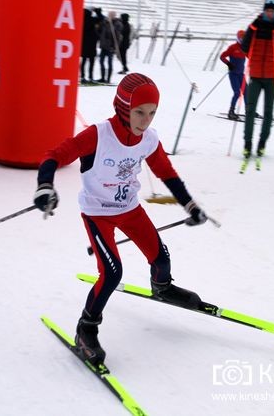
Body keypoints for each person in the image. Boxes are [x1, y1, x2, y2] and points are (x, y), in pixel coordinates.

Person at [33, 73, 209, 365]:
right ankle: (86, 328)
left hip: (129, 209)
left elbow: (166, 172)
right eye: (139, 112)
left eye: (152, 113)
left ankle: (162, 287)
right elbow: (54, 156)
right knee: (112, 273)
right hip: (98, 213)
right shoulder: (98, 135)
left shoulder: (148, 139)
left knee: (161, 259)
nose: (145, 120)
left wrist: (189, 204)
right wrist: (45, 186)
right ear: (123, 107)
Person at [240, 0, 274, 159]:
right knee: (250, 109)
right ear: (263, 10)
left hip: (272, 76)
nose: (269, 13)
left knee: (268, 111)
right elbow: (245, 46)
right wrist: (252, 29)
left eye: (272, 11)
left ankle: (262, 144)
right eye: (267, 10)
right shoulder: (254, 27)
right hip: (255, 74)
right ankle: (247, 143)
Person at [219, 29, 248, 119]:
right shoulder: (232, 47)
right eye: (241, 38)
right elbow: (222, 56)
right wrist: (229, 64)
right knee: (237, 93)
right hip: (233, 74)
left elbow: (250, 56)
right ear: (238, 38)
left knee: (246, 92)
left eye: (244, 38)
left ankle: (249, 111)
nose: (243, 40)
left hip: (241, 74)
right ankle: (231, 112)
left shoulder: (245, 48)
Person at [97, 10, 122, 83]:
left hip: (110, 47)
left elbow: (117, 36)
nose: (109, 16)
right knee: (101, 61)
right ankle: (102, 77)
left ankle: (108, 79)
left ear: (114, 16)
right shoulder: (105, 22)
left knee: (109, 63)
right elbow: (99, 31)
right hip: (103, 46)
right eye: (109, 15)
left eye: (111, 15)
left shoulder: (117, 24)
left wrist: (114, 47)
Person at [80, 8, 98, 83]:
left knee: (84, 62)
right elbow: (100, 17)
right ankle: (90, 77)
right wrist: (97, 11)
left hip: (84, 46)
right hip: (92, 45)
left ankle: (83, 76)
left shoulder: (81, 21)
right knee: (91, 62)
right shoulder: (92, 20)